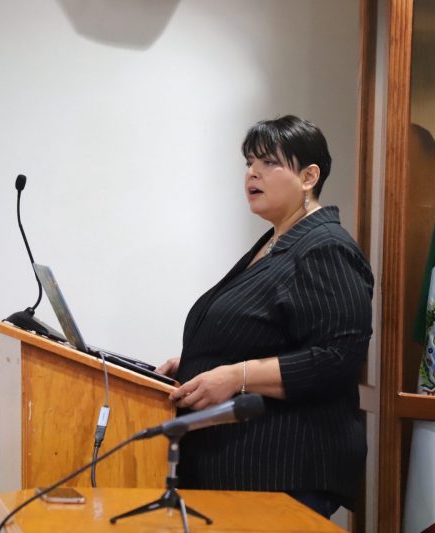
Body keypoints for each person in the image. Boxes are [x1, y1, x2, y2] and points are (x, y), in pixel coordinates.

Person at [157, 115, 373, 518]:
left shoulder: (325, 246)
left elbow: (337, 358)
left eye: (269, 162)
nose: (252, 173)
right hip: (236, 467)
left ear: (309, 176)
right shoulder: (277, 242)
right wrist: (196, 363)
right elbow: (264, 334)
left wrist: (234, 376)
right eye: (249, 163)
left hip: (281, 468)